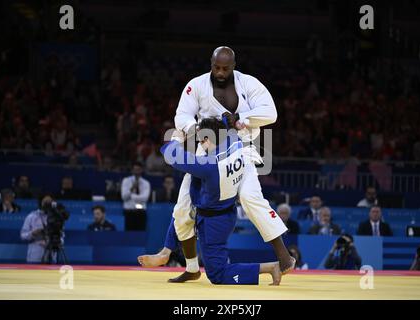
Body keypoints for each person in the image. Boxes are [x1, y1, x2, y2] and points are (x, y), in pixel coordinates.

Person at [142, 46, 293, 274]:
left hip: (241, 148)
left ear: (234, 66)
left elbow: (271, 112)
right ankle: (190, 267)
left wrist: (242, 117)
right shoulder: (198, 85)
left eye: (225, 68)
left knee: (250, 198)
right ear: (211, 64)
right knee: (184, 203)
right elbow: (182, 115)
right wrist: (197, 129)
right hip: (208, 147)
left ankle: (284, 257)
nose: (220, 72)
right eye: (216, 67)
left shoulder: (248, 83)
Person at [157, 118, 292, 285]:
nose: (200, 145)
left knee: (217, 274)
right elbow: (226, 127)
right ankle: (186, 264)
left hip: (213, 221)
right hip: (226, 213)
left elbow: (173, 155)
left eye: (200, 141)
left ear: (207, 139)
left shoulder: (209, 165)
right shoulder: (235, 143)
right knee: (181, 214)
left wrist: (176, 139)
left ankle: (269, 267)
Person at [20, 194, 67, 263]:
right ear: (40, 202)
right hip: (35, 255)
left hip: (52, 255)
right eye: (45, 202)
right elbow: (23, 236)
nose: (47, 204)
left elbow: (61, 236)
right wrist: (33, 233)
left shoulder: (57, 217)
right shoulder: (31, 216)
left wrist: (56, 242)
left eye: (49, 202)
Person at [121, 161, 151, 231]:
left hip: (141, 213)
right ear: (132, 170)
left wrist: (132, 196)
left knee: (141, 234)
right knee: (128, 235)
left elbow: (145, 198)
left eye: (138, 170)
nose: (136, 172)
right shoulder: (126, 181)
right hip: (129, 212)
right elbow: (124, 197)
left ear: (141, 170)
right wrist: (131, 189)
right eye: (135, 169)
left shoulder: (146, 183)